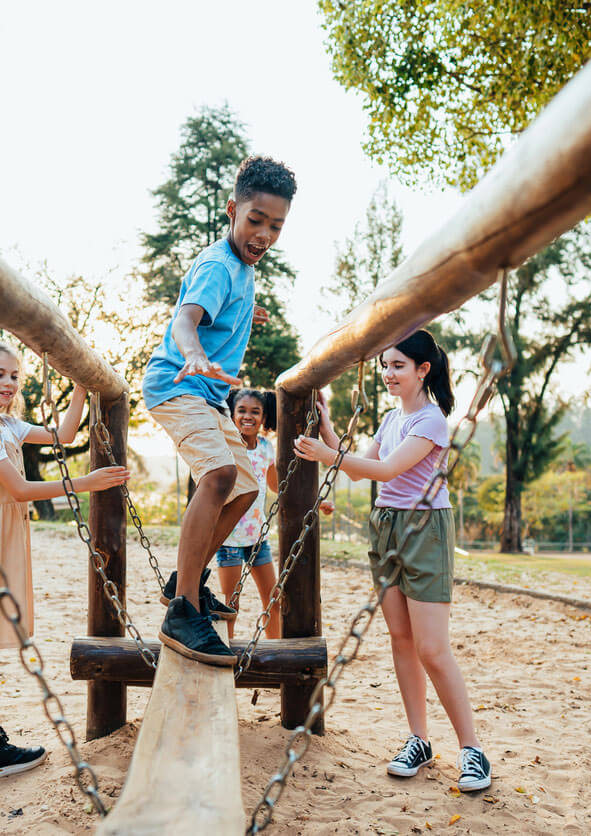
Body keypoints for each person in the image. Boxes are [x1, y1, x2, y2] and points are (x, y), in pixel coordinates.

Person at [293, 329, 491, 792]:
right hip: (386, 526)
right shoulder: (389, 419)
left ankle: (472, 749)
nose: (387, 374)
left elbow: (384, 470)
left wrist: (327, 454)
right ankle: (418, 739)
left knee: (432, 649)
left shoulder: (432, 421)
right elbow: (362, 461)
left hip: (424, 530)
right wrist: (325, 426)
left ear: (424, 370)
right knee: (401, 640)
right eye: (385, 366)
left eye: (398, 366)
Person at [0, 339, 129, 785]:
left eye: (15, 376)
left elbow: (65, 435)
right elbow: (18, 489)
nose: (9, 382)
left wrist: (81, 386)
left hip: (0, 538)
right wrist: (86, 482)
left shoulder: (6, 425)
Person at [142, 155, 298, 665]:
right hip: (177, 385)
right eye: (255, 220)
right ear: (233, 210)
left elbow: (217, 304)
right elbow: (186, 320)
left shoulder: (241, 270)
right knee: (219, 474)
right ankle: (183, 610)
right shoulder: (217, 265)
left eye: (275, 225)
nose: (264, 234)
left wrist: (242, 310)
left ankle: (183, 582)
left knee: (247, 486)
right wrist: (192, 352)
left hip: (207, 397)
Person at [215, 388, 334, 639]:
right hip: (229, 538)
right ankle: (226, 653)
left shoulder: (266, 448)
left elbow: (278, 486)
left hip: (258, 538)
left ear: (264, 416)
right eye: (242, 411)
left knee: (274, 600)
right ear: (233, 414)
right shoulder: (227, 446)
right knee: (230, 604)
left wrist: (315, 501)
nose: (248, 416)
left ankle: (274, 648)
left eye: (255, 412)